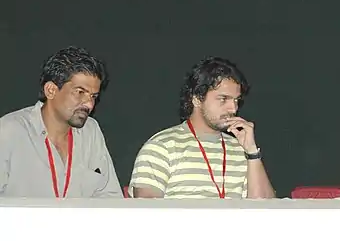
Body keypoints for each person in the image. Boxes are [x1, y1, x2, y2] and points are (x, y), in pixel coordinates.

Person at [129, 56, 275, 199]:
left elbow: (265, 211)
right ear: (197, 99)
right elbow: (147, 213)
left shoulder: (241, 150)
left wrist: (252, 152)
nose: (233, 108)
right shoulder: (162, 146)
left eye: (236, 100)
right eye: (223, 99)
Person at [0, 46, 122, 198]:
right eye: (80, 92)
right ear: (51, 90)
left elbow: (110, 198)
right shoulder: (9, 130)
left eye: (93, 96)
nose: (90, 104)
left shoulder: (91, 131)